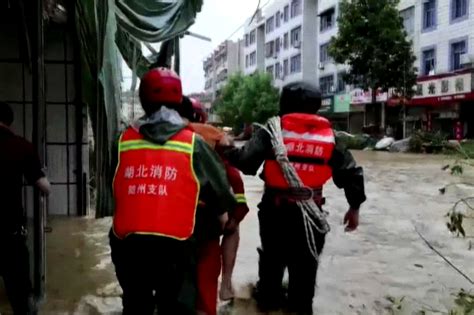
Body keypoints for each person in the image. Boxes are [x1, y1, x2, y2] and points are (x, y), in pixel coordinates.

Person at [224, 82, 366, 314]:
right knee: (306, 272)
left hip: (276, 212)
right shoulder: (330, 137)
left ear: (284, 104)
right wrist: (354, 208)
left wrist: (227, 152)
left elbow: (247, 163)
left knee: (271, 263)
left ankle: (267, 302)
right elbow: (351, 173)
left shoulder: (272, 131)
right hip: (312, 214)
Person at [109, 68, 236, 315]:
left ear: (143, 100)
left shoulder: (122, 140)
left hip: (128, 244)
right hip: (177, 246)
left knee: (136, 305)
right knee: (177, 306)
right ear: (180, 100)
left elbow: (112, 186)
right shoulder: (195, 143)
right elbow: (223, 194)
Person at [179, 97, 250, 315]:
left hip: (164, 222)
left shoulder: (152, 136)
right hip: (205, 222)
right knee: (232, 227)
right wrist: (231, 215)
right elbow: (228, 176)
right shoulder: (211, 136)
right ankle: (226, 283)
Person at [0, 101, 51, 315]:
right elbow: (43, 186)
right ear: (10, 122)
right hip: (10, 234)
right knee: (21, 299)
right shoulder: (20, 145)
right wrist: (47, 181)